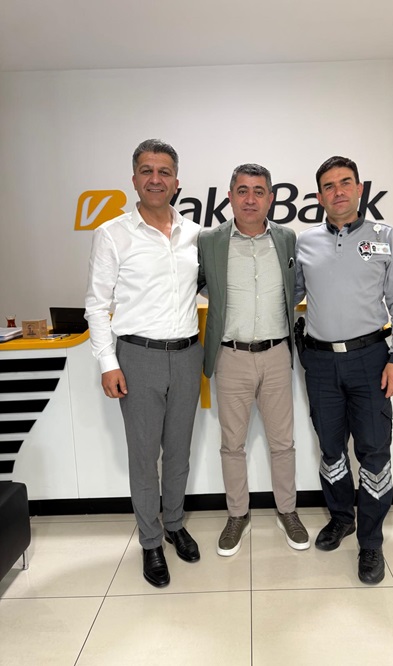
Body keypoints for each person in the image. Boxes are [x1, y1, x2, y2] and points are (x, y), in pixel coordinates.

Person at [85, 139, 203, 588]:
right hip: (137, 357)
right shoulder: (112, 234)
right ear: (134, 179)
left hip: (187, 355)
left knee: (179, 451)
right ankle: (151, 541)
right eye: (147, 170)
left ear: (177, 181)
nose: (156, 179)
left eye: (164, 171)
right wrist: (107, 363)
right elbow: (97, 305)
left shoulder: (195, 234)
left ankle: (174, 523)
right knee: (143, 455)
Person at [295, 155, 393, 584]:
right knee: (330, 448)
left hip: (370, 359)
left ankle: (371, 541)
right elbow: (289, 294)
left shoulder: (385, 236)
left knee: (373, 451)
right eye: (329, 186)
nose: (338, 191)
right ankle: (341, 517)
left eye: (345, 182)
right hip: (319, 361)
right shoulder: (304, 242)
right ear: (319, 196)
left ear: (360, 188)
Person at [198, 163, 310, 556]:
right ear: (230, 197)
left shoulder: (286, 238)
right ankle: (237, 515)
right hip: (231, 356)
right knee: (232, 444)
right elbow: (195, 284)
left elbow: (298, 287)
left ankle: (288, 511)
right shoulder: (209, 241)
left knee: (283, 443)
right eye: (242, 191)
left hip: (277, 354)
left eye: (258, 191)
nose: (250, 199)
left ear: (271, 198)